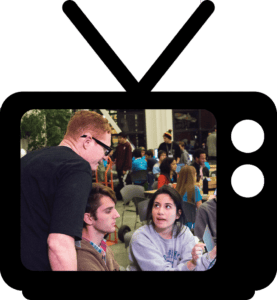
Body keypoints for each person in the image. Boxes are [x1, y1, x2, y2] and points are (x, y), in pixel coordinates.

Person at [21, 110, 112, 271]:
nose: (105, 157)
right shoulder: (77, 167)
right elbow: (59, 243)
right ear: (88, 140)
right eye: (106, 150)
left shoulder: (29, 160)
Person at [127, 185, 216, 271]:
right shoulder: (141, 237)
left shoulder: (184, 232)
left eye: (168, 206)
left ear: (178, 214)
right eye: (156, 205)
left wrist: (211, 255)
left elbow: (194, 266)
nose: (160, 212)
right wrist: (191, 264)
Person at [75, 183, 120, 271]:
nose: (117, 215)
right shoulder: (83, 261)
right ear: (88, 218)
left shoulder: (102, 246)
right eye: (108, 211)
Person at [175, 165, 203, 230]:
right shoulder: (195, 189)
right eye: (195, 175)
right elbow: (200, 209)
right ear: (192, 177)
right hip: (192, 224)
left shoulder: (175, 190)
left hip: (178, 223)